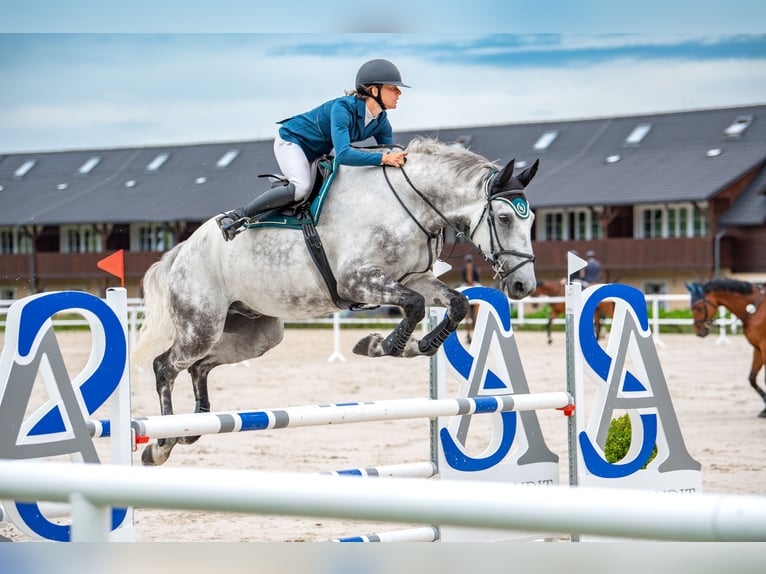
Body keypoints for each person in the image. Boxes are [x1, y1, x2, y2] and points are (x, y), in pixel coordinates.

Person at [216, 59, 411, 241]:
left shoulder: (382, 121)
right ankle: (237, 216)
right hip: (292, 141)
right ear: (373, 90)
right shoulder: (343, 108)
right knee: (301, 187)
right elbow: (344, 155)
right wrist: (384, 158)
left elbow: (389, 152)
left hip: (322, 149)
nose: (399, 93)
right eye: (393, 88)